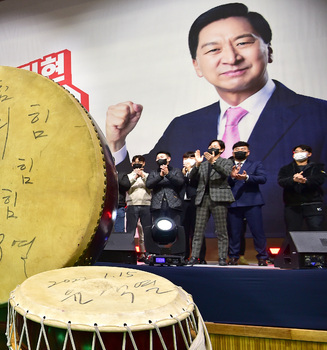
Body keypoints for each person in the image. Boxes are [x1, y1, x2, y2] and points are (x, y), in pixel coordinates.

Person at [105, 3, 327, 238]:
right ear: (197, 66)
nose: (231, 57)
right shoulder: (183, 126)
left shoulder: (319, 115)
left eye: (243, 42)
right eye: (213, 49)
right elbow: (143, 184)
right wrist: (117, 143)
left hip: (286, 259)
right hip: (200, 256)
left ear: (269, 50)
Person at [187, 140, 234, 266]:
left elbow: (225, 173)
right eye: (210, 146)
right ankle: (194, 257)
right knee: (198, 230)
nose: (211, 148)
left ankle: (223, 258)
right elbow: (192, 177)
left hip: (219, 198)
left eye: (215, 146)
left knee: (221, 230)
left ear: (222, 150)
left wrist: (213, 162)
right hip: (203, 198)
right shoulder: (202, 164)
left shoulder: (227, 161)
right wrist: (196, 164)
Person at [227, 141, 268, 265]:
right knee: (234, 232)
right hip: (233, 202)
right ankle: (233, 256)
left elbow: (263, 178)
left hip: (252, 202)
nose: (240, 150)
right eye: (237, 149)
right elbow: (221, 181)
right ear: (233, 152)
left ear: (248, 152)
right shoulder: (227, 165)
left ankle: (262, 257)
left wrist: (247, 177)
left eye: (243, 149)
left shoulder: (256, 164)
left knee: (257, 231)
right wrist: (232, 177)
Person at [277, 145, 326, 232]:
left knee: (317, 230)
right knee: (292, 231)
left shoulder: (317, 167)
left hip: (313, 203)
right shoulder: (286, 169)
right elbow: (281, 181)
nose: (299, 153)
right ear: (293, 155)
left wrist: (306, 181)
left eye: (302, 151)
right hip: (293, 205)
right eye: (296, 152)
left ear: (309, 154)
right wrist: (293, 179)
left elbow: (320, 179)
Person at [119, 155, 151, 258]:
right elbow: (126, 186)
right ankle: (129, 253)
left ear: (144, 164)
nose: (138, 165)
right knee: (130, 231)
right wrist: (135, 177)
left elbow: (151, 186)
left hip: (146, 205)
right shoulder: (128, 176)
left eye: (140, 163)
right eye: (136, 163)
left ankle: (146, 253)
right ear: (132, 164)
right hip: (132, 204)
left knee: (146, 231)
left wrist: (142, 176)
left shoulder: (148, 175)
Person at [145, 151, 184, 224]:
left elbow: (180, 182)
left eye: (162, 157)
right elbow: (148, 185)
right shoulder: (153, 173)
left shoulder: (176, 171)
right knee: (158, 228)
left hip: (174, 205)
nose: (159, 159)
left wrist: (168, 174)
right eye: (157, 158)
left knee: (175, 228)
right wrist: (160, 176)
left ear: (168, 159)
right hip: (157, 206)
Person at [181, 151, 206, 263]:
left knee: (198, 230)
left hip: (196, 202)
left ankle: (200, 257)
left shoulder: (199, 170)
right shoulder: (179, 172)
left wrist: (192, 169)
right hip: (183, 203)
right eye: (185, 158)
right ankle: (184, 255)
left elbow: (196, 181)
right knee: (184, 231)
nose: (187, 160)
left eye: (190, 158)